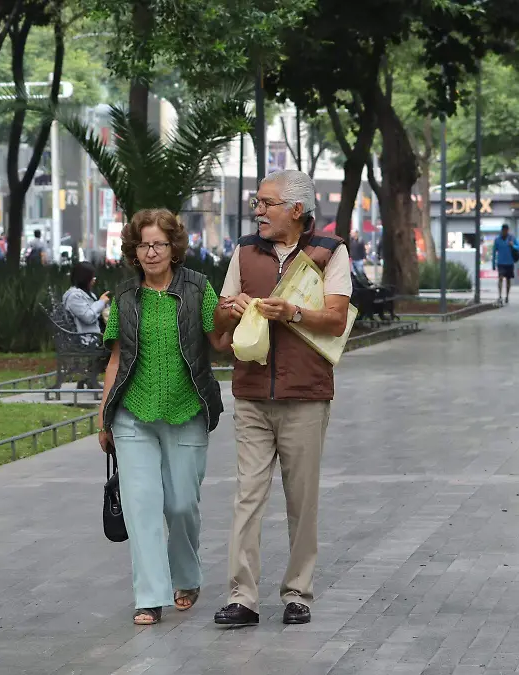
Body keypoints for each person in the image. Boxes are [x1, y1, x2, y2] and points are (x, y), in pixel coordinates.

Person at [213, 169, 352, 627]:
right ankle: (242, 597)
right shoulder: (244, 251)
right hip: (252, 394)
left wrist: (292, 312)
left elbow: (336, 319)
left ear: (296, 209)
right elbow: (218, 320)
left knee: (302, 500)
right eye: (256, 203)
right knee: (247, 497)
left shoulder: (329, 251)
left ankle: (298, 594)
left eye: (266, 203)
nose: (257, 211)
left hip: (305, 395)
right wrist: (229, 308)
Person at [97, 208, 229, 627]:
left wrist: (239, 315)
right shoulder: (124, 296)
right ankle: (150, 596)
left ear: (174, 248)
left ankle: (186, 577)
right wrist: (104, 417)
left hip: (187, 408)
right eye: (143, 245)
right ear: (134, 251)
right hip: (132, 414)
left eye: (159, 244)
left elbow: (219, 341)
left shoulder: (198, 288)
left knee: (181, 504)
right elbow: (115, 359)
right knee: (142, 505)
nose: (151, 252)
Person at [63, 261, 110, 340]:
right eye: (92, 277)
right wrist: (101, 302)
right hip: (89, 339)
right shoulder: (74, 297)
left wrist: (104, 304)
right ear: (85, 279)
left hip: (99, 334)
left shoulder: (87, 293)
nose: (94, 280)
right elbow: (88, 317)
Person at [492, 224, 519, 304]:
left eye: (506, 230)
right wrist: (493, 264)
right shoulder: (497, 240)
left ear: (508, 230)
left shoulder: (512, 238)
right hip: (501, 263)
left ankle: (507, 296)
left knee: (508, 280)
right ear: (502, 230)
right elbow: (494, 252)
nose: (505, 232)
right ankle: (500, 296)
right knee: (500, 278)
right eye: (503, 230)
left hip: (509, 262)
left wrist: (513, 245)